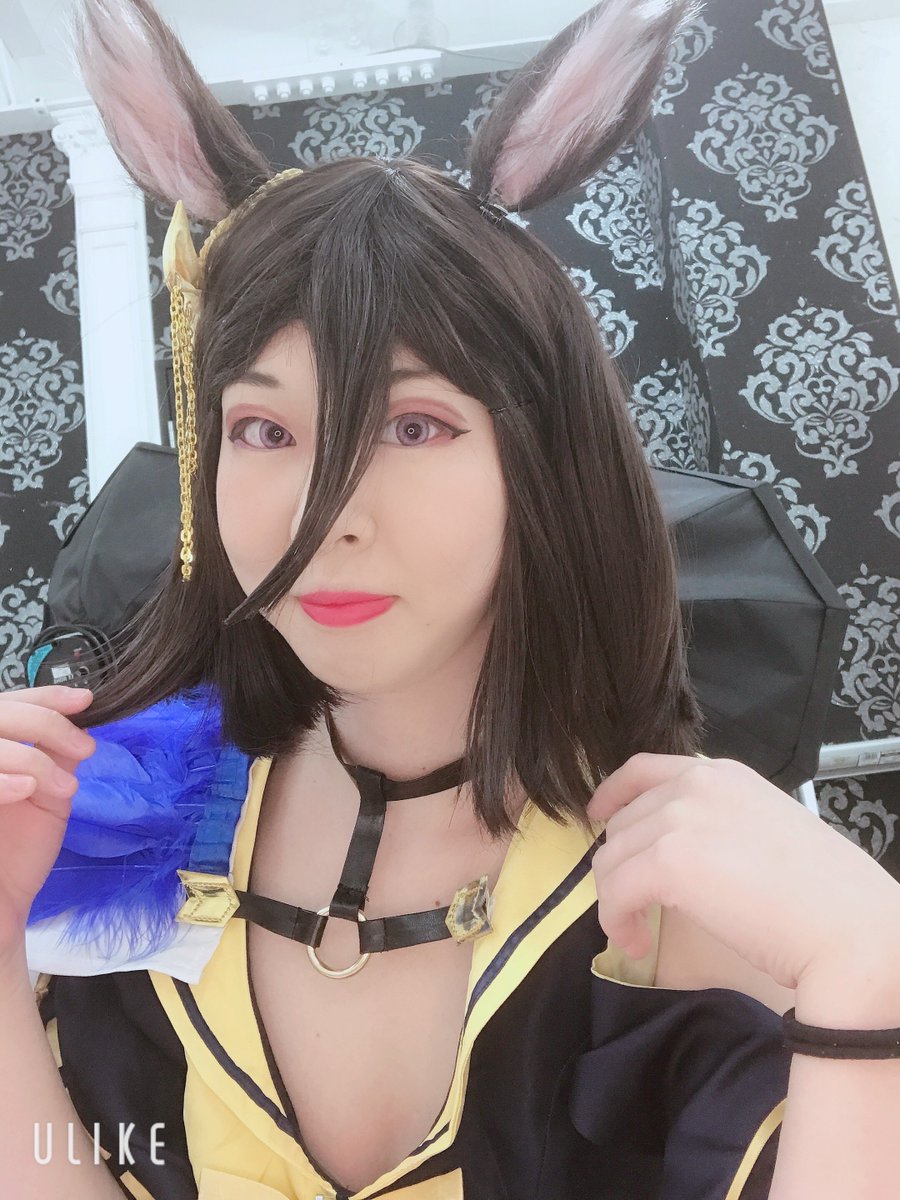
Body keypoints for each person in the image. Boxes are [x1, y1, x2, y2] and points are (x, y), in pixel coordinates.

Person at [3, 1, 900, 1198]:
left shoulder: (684, 881)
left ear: (544, 459)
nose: (326, 516)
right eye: (264, 428)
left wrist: (870, 974)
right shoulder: (137, 812)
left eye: (415, 424)